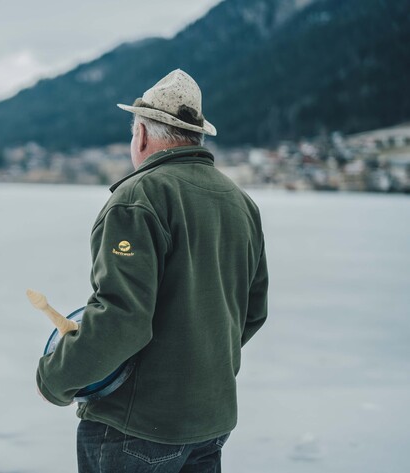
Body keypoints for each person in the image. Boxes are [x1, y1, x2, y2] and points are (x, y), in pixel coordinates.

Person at [36, 69, 268, 473]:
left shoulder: (138, 197)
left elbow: (122, 318)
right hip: (210, 423)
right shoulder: (240, 203)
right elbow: (252, 312)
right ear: (196, 136)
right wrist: (196, 361)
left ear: (141, 136)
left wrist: (54, 378)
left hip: (136, 427)